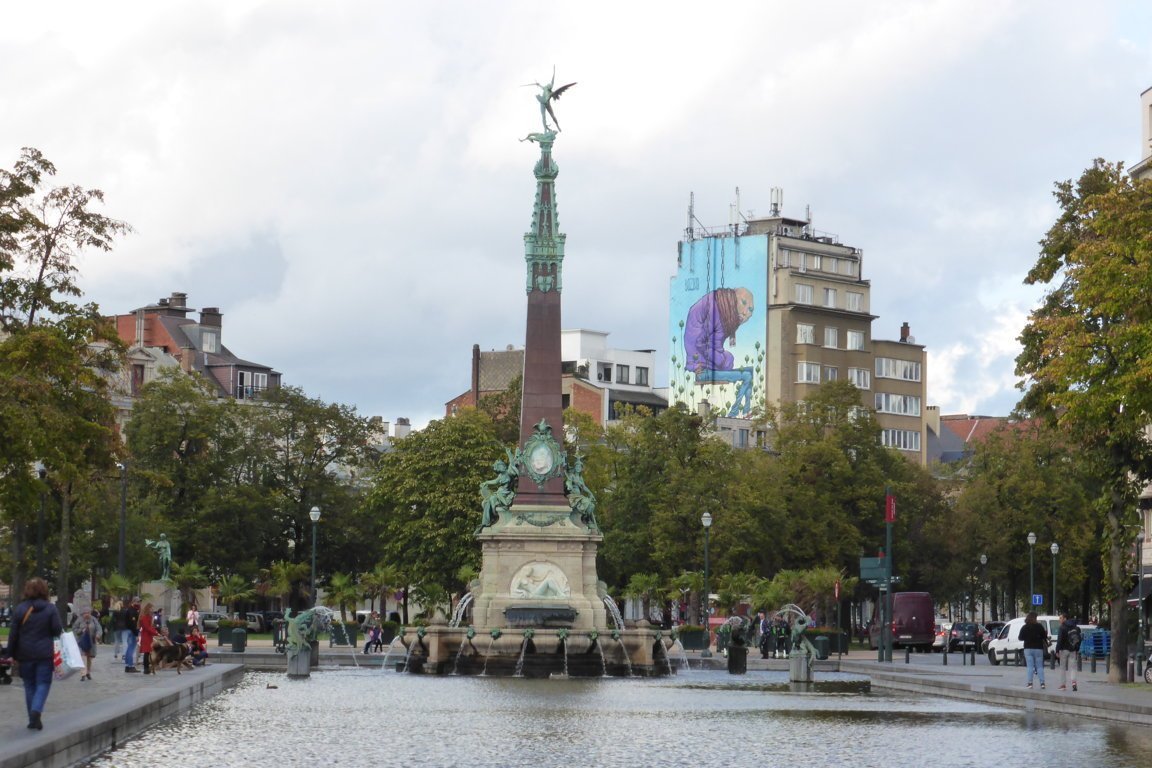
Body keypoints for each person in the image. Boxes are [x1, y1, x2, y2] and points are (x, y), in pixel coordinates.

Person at [7, 577, 63, 730]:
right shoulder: (50, 608)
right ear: (44, 591)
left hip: (24, 654)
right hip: (44, 653)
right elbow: (57, 630)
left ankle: (33, 718)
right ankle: (36, 711)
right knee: (43, 683)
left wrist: (10, 653)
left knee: (29, 685)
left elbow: (13, 634)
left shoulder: (20, 608)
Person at [1019, 611, 1049, 689]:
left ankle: (1030, 683)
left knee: (1030, 666)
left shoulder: (1025, 627)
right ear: (1035, 618)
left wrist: (1027, 637)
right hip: (1038, 648)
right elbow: (1044, 636)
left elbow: (1020, 637)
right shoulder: (1039, 626)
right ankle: (1042, 683)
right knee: (1039, 666)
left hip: (1028, 648)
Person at [72, 607, 103, 681]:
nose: (87, 614)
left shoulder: (93, 619)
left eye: (88, 613)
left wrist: (98, 635)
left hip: (91, 641)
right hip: (82, 641)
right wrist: (81, 630)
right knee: (83, 657)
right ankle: (83, 674)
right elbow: (74, 629)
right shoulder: (79, 620)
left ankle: (88, 672)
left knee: (89, 658)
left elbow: (99, 628)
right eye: (85, 613)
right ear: (83, 614)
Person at [1055, 612, 1080, 692]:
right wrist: (1076, 649)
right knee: (1073, 668)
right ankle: (1074, 683)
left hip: (1063, 650)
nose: (1059, 620)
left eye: (1061, 618)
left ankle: (1063, 685)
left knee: (1062, 668)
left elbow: (1059, 640)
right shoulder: (1075, 627)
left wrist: (1057, 650)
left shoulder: (1062, 627)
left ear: (1065, 618)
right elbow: (1078, 639)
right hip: (1072, 650)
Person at [139, 601, 159, 675]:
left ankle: (147, 668)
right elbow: (147, 627)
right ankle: (146, 668)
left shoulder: (149, 617)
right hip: (146, 636)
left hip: (148, 636)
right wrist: (156, 633)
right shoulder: (144, 617)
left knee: (147, 652)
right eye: (151, 608)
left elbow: (150, 627)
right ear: (148, 608)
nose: (152, 610)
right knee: (146, 652)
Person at [123, 597, 141, 673]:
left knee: (129, 648)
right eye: (137, 602)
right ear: (133, 602)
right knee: (131, 648)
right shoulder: (132, 611)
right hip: (131, 631)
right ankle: (130, 666)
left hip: (129, 630)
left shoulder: (131, 610)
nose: (139, 603)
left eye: (139, 602)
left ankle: (127, 665)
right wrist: (136, 634)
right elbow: (133, 624)